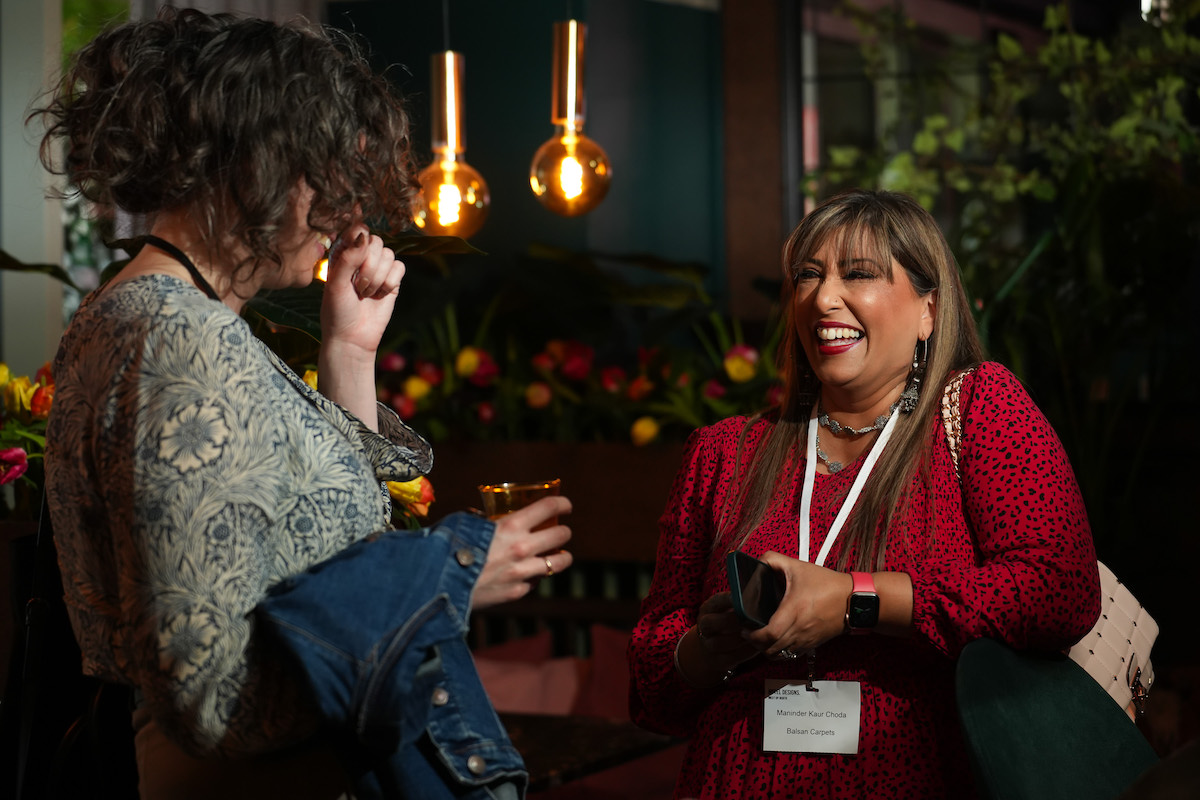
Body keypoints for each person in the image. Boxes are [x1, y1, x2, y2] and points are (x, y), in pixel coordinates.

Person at [33, 8, 572, 799]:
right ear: (255, 167)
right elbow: (214, 703)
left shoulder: (159, 316)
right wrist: (446, 582)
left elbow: (326, 550)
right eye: (331, 179)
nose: (348, 216)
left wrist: (348, 354)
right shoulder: (179, 338)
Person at [628, 189, 1101, 799]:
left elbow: (1058, 589)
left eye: (858, 274)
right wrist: (709, 645)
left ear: (928, 309)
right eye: (807, 276)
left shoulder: (981, 409)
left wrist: (857, 601)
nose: (823, 298)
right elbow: (650, 693)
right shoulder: (723, 453)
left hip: (916, 777)